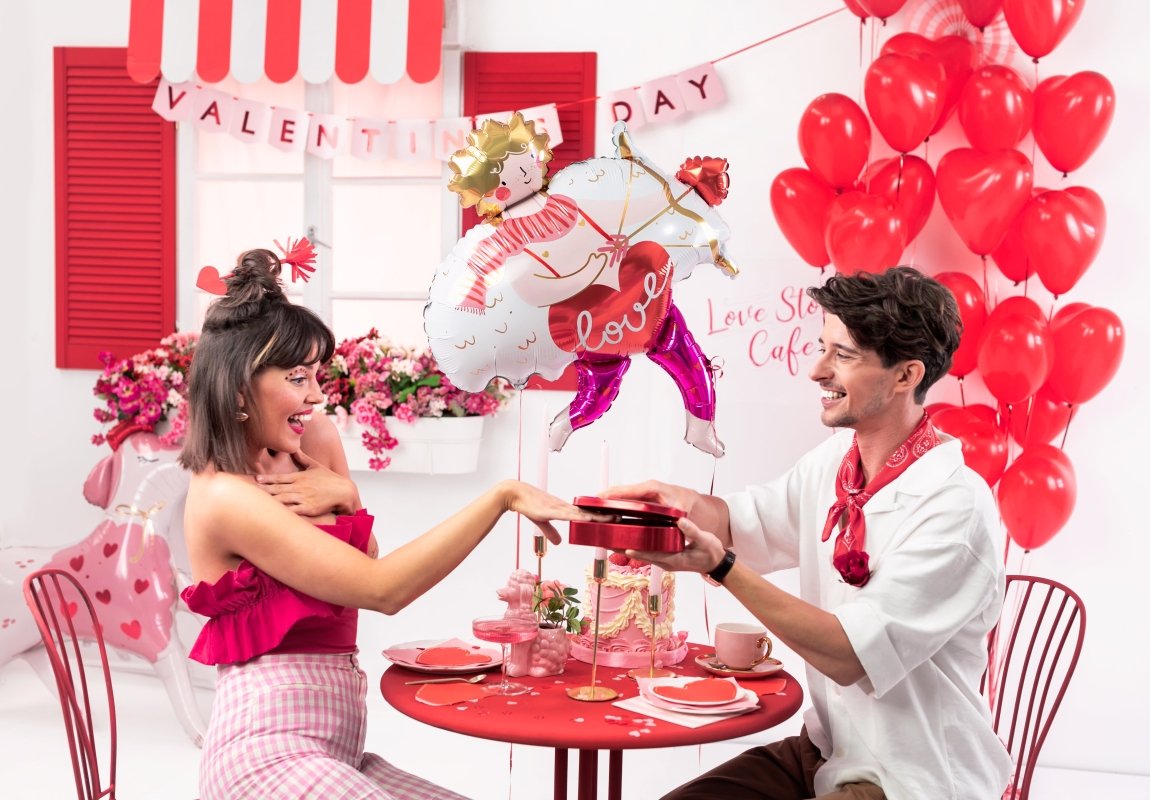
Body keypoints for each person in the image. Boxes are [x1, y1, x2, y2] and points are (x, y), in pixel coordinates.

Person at [179, 247, 597, 800]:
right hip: (264, 759)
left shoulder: (313, 441)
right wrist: (502, 497)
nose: (316, 395)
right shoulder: (224, 497)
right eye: (298, 377)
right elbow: (383, 589)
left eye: (316, 375)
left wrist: (349, 497)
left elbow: (363, 556)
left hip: (336, 750)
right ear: (238, 387)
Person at [608, 267, 1012, 800]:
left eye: (843, 355)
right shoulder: (836, 463)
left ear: (906, 375)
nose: (817, 370)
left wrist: (722, 567)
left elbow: (850, 656)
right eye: (823, 348)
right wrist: (671, 504)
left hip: (912, 777)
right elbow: (739, 523)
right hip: (824, 750)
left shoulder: (954, 506)